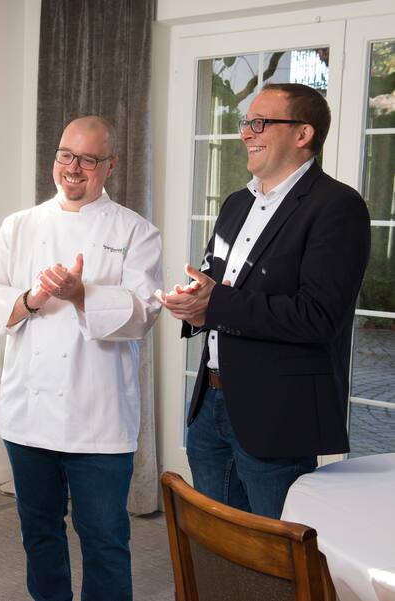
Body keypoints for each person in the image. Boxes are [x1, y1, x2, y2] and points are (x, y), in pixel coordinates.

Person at [0, 116, 162, 601]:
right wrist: (32, 298)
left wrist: (81, 294)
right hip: (29, 417)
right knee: (39, 534)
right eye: (65, 155)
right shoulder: (20, 225)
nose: (74, 168)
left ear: (109, 166)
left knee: (104, 540)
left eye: (89, 159)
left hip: (98, 419)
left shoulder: (136, 231)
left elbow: (142, 314)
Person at [157, 83, 371, 519]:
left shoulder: (337, 206)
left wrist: (214, 303)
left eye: (260, 122)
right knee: (215, 548)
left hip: (277, 417)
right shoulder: (236, 203)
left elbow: (318, 317)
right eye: (245, 123)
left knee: (277, 559)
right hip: (209, 408)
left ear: (302, 133)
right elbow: (214, 283)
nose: (246, 133)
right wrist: (192, 302)